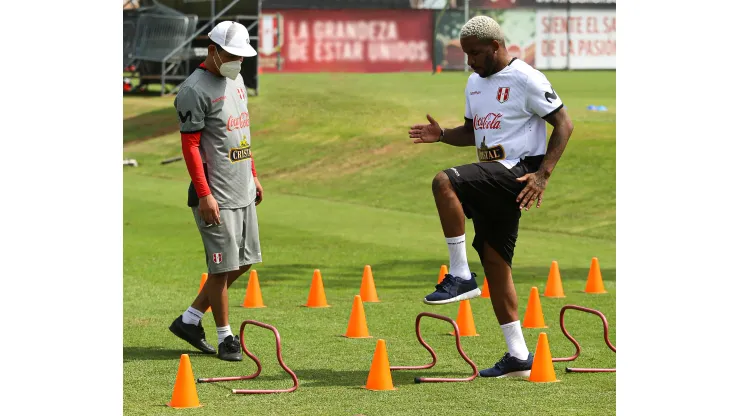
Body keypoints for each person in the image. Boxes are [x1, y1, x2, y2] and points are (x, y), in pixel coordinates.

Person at [408, 15, 574, 377]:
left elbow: (564, 123)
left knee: (444, 181)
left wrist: (543, 175)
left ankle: (460, 275)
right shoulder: (474, 82)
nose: (470, 61)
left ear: (497, 47)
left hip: (518, 170)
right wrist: (441, 135)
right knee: (496, 262)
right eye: (466, 54)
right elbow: (472, 132)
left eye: (476, 54)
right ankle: (518, 357)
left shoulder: (527, 78)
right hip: (492, 173)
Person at [168, 21, 264, 362]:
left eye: (242, 55)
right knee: (222, 268)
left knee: (245, 262)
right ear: (213, 50)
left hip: (243, 188)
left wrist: (253, 174)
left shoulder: (235, 80)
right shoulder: (193, 89)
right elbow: (191, 145)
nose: (239, 61)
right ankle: (226, 338)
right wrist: (205, 194)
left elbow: (241, 132)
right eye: (233, 54)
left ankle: (190, 320)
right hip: (216, 195)